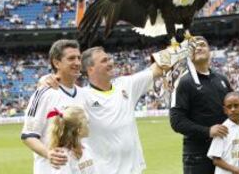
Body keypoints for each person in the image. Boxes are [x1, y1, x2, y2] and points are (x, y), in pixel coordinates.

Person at [39, 45, 184, 174]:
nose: (110, 63)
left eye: (109, 59)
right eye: (104, 61)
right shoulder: (82, 95)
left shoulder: (126, 85)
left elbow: (156, 69)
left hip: (134, 169)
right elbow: (58, 89)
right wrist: (45, 79)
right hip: (103, 170)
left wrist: (183, 47)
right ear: (90, 69)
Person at [170, 36, 239, 174]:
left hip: (224, 153)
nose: (199, 48)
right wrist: (207, 131)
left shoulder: (221, 79)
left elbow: (233, 108)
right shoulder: (183, 82)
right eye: (194, 46)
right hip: (198, 156)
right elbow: (176, 121)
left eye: (202, 45)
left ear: (210, 52)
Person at [21, 39, 87, 174]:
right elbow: (28, 135)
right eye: (71, 58)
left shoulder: (83, 94)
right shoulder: (45, 93)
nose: (77, 63)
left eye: (79, 58)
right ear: (57, 63)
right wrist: (49, 154)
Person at [48, 106, 96, 174]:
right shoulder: (62, 156)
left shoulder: (86, 148)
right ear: (78, 130)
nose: (89, 126)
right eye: (87, 123)